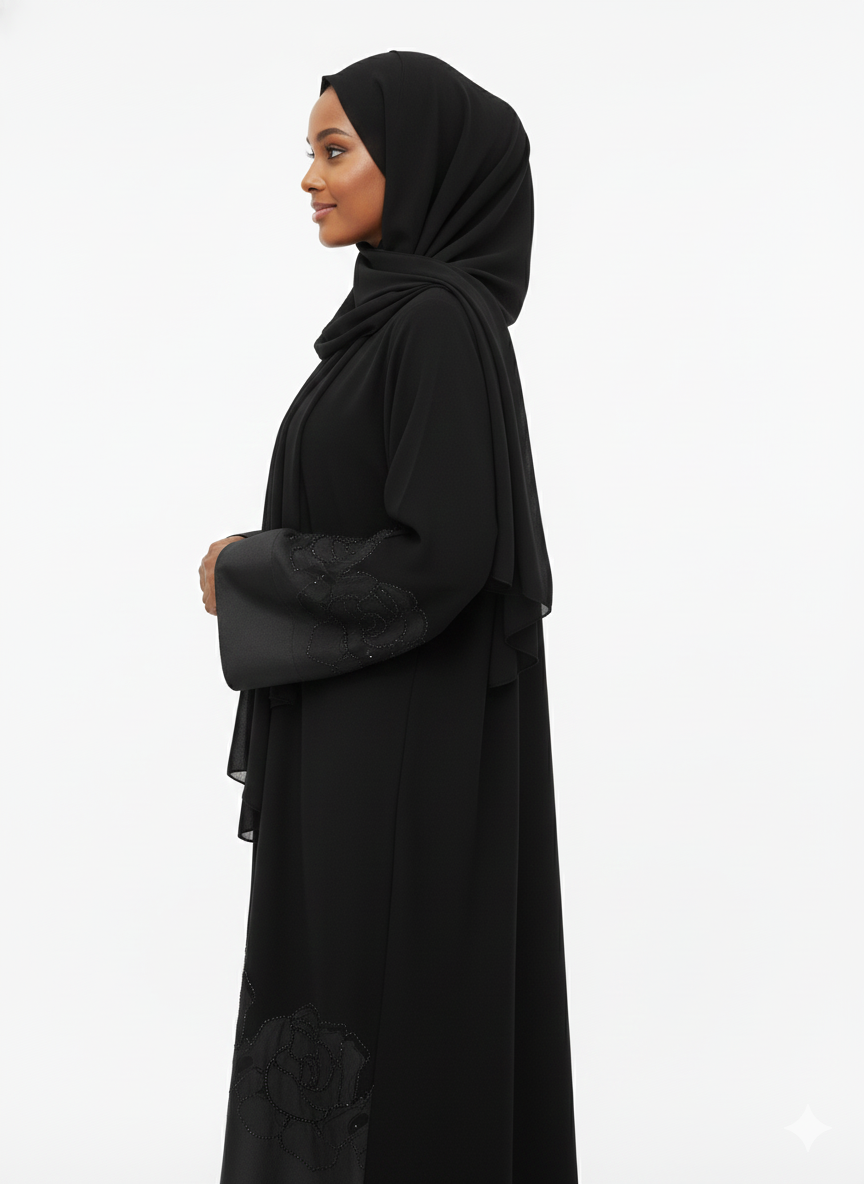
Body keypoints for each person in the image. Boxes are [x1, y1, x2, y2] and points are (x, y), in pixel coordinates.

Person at [198, 49, 579, 1184]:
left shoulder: (437, 327)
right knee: (344, 1005)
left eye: (336, 151)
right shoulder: (392, 323)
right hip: (362, 730)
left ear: (412, 166)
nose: (310, 179)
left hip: (398, 754)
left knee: (378, 1006)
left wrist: (257, 568)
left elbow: (442, 553)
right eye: (311, 152)